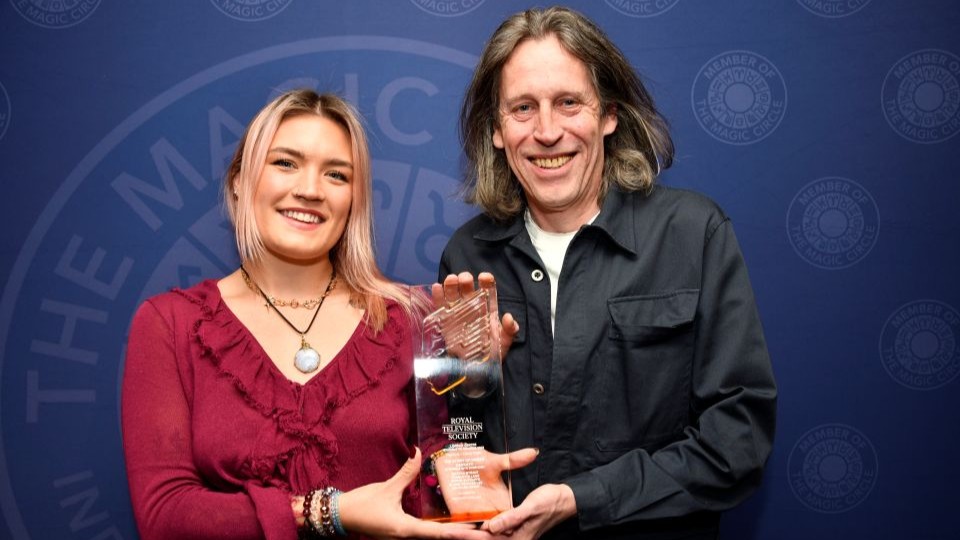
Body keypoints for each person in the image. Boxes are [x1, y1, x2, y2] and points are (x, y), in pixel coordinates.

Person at [121, 89, 530, 540]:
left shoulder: (412, 317)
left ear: (354, 197)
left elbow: (433, 476)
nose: (311, 190)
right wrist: (328, 510)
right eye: (285, 163)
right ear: (239, 180)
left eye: (336, 174)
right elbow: (163, 516)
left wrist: (473, 387)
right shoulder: (170, 324)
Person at [438, 7, 777, 540]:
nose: (547, 131)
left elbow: (738, 440)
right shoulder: (468, 257)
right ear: (497, 130)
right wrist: (471, 386)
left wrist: (582, 498)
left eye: (568, 103)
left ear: (609, 116)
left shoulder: (693, 234)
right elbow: (453, 444)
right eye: (523, 108)